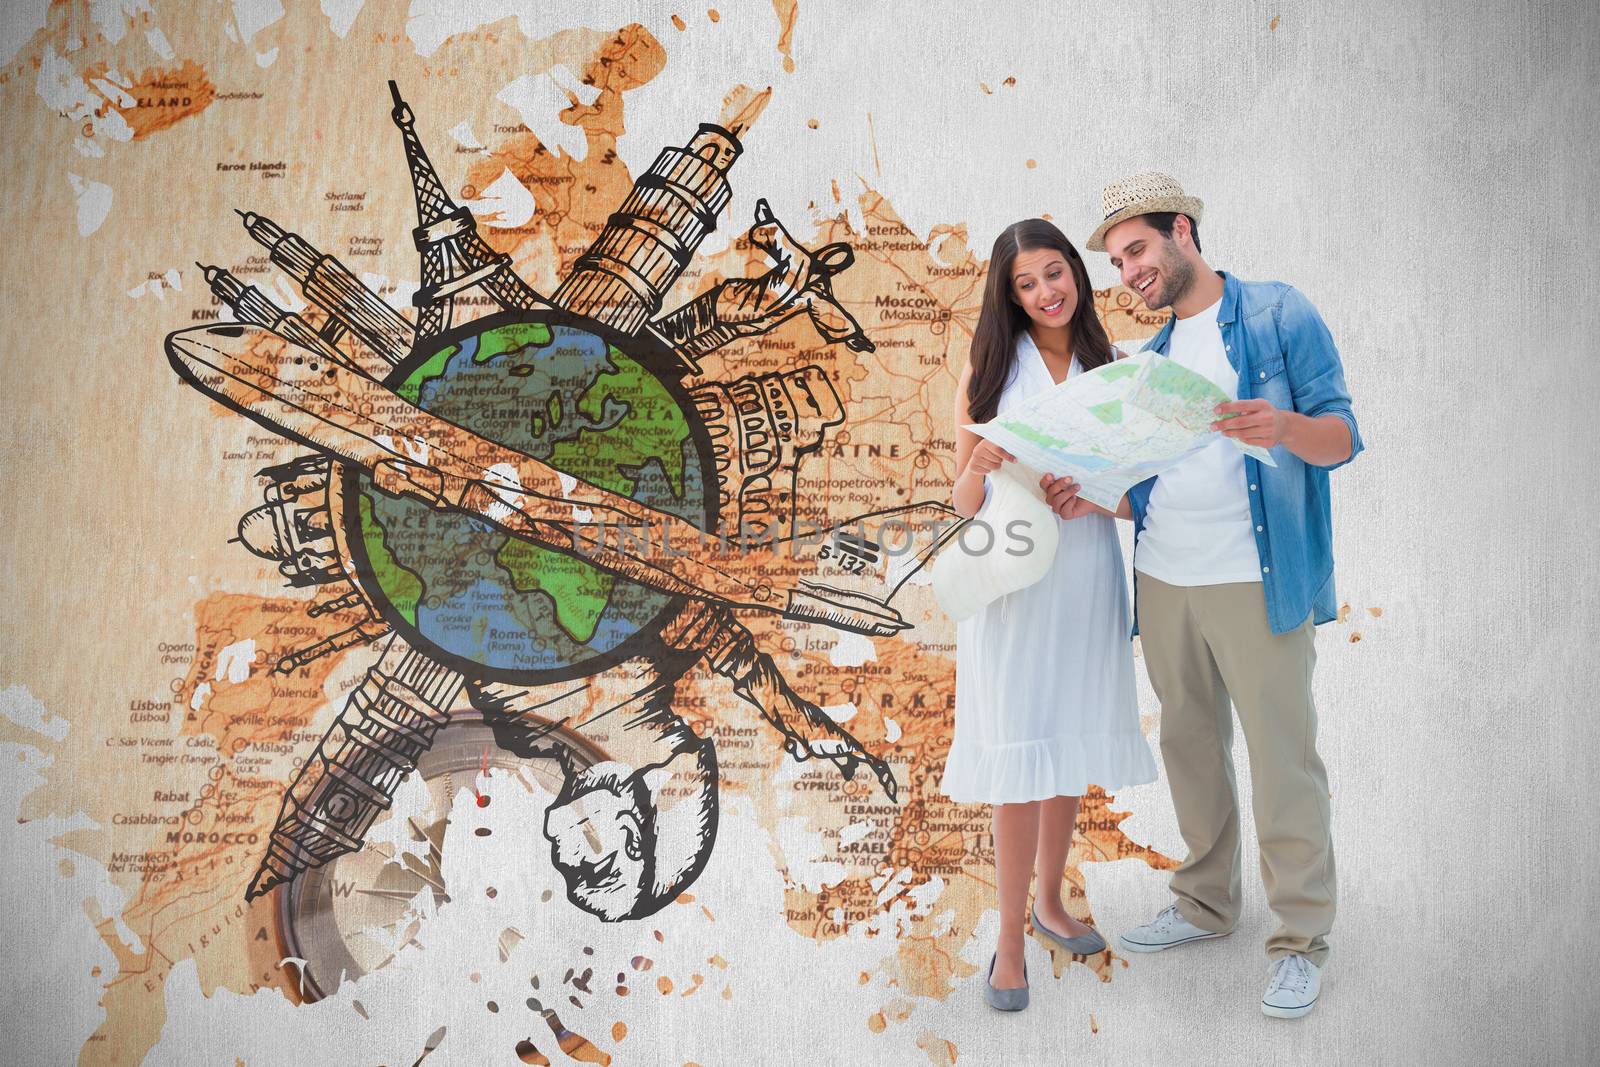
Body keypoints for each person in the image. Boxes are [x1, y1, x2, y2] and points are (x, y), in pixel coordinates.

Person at [1042, 172, 1362, 1019]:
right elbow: (1150, 485)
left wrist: (1282, 427)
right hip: (1165, 579)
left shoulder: (1277, 314)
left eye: (1137, 250)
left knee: (1283, 758)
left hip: (1254, 581)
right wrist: (1093, 496)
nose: (1129, 274)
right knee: (1190, 746)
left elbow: (1343, 436)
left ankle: (1300, 940)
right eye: (1115, 262)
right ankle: (1207, 903)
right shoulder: (1145, 364)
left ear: (1182, 230)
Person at [942, 218, 1159, 1012]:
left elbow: (1137, 496)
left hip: (1086, 577)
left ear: (1077, 272)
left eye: (1055, 272)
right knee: (1018, 756)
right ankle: (1007, 940)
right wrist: (980, 460)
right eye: (1026, 282)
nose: (1045, 291)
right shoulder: (988, 372)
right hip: (1013, 584)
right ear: (1008, 295)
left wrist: (1094, 496)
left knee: (1065, 742)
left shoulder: (1117, 366)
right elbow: (962, 506)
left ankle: (1050, 903)